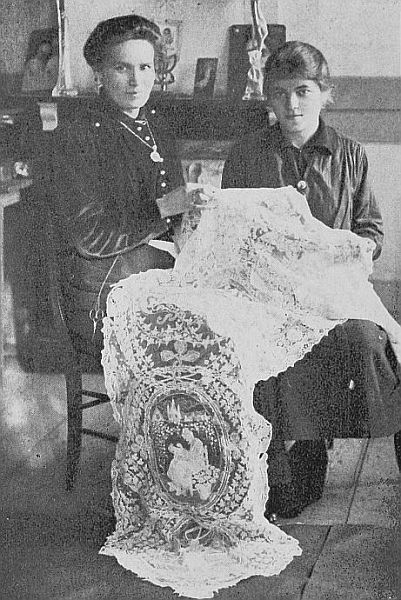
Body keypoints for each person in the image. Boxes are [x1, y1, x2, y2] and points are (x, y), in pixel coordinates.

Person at [222, 41, 401, 518]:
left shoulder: (350, 154)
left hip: (335, 290)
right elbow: (233, 232)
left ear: (325, 93)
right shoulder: (247, 155)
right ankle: (294, 452)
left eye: (303, 91)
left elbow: (371, 230)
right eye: (280, 94)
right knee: (271, 346)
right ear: (268, 98)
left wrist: (356, 249)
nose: (292, 105)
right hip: (271, 292)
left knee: (365, 341)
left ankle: (330, 437)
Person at [45, 14, 195, 359]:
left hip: (154, 276)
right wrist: (164, 211)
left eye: (145, 67)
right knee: (198, 344)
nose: (135, 80)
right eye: (121, 68)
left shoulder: (157, 126)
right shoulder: (77, 136)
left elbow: (173, 211)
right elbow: (90, 237)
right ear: (99, 73)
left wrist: (192, 209)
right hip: (102, 293)